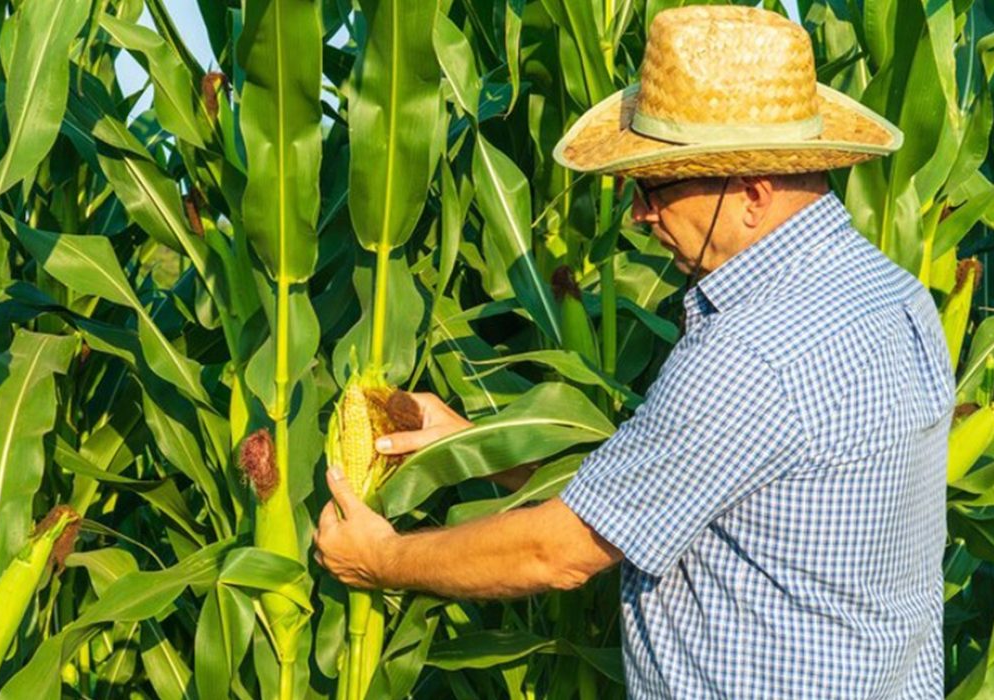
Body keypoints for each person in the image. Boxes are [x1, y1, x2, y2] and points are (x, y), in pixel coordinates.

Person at [314, 5, 954, 697]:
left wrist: (380, 558)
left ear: (752, 193)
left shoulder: (749, 350)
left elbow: (554, 554)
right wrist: (475, 446)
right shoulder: (893, 294)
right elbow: (697, 483)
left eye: (654, 188)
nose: (639, 216)